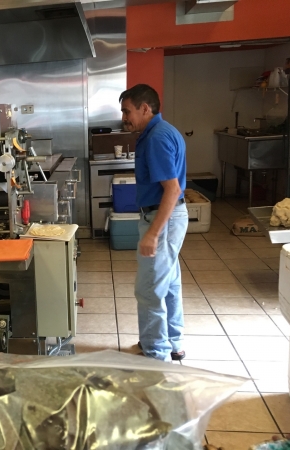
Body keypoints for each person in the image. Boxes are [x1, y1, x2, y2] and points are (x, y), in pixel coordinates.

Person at [119, 84, 188, 362]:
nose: (124, 117)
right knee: (168, 284)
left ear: (145, 108)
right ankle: (173, 342)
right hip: (169, 217)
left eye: (127, 111)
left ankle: (156, 354)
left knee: (149, 289)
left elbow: (172, 189)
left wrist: (153, 233)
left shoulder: (157, 137)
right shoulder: (161, 131)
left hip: (162, 218)